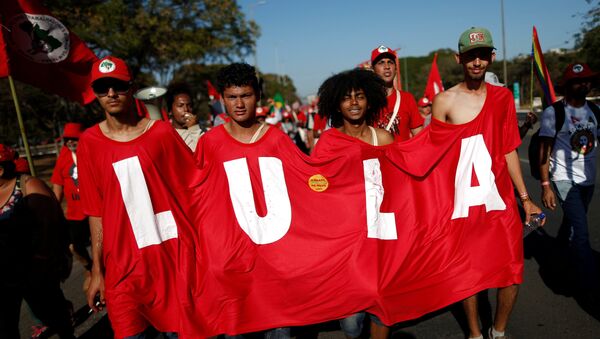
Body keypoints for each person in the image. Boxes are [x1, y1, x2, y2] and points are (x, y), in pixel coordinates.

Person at [432, 27, 543, 339]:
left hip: (500, 199)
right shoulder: (444, 101)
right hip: (463, 202)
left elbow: (509, 148)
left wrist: (525, 198)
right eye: (470, 56)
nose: (476, 61)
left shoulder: (503, 97)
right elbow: (434, 157)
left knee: (511, 270)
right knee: (469, 272)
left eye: (482, 55)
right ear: (459, 59)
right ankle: (474, 333)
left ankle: (499, 331)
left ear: (491, 57)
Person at [78, 56, 196, 338]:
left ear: (131, 88)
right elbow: (95, 211)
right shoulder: (89, 143)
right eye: (102, 88)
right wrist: (97, 269)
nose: (110, 94)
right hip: (123, 271)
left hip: (172, 263)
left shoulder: (163, 134)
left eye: (117, 86)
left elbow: (194, 190)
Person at [193, 62, 290, 339]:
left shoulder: (277, 139)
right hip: (232, 263)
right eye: (232, 97)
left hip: (275, 262)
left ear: (257, 96)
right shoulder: (209, 144)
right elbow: (197, 200)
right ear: (222, 99)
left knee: (279, 334)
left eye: (246, 95)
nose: (239, 104)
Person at [313, 68, 393, 339]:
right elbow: (316, 188)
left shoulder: (382, 138)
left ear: (369, 99)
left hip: (381, 233)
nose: (354, 103)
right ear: (337, 103)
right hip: (346, 239)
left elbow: (398, 184)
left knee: (382, 305)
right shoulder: (327, 142)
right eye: (347, 98)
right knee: (350, 323)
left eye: (359, 96)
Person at [0, 144, 75, 339]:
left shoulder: (28, 186)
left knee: (53, 317)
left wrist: (40, 264)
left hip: (36, 269)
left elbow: (50, 229)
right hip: (5, 273)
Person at [538, 63, 600, 295]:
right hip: (564, 179)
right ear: (567, 85)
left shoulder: (594, 110)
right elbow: (544, 152)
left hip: (588, 179)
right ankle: (590, 286)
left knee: (570, 227)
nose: (584, 84)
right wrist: (546, 185)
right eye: (578, 81)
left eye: (587, 80)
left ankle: (557, 263)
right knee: (581, 232)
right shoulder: (554, 113)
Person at [51, 122, 93, 292]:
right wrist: (54, 209)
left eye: (73, 139)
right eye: (67, 139)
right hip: (76, 213)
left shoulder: (91, 152)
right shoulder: (63, 157)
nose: (70, 142)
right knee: (74, 247)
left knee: (104, 246)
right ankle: (89, 268)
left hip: (96, 210)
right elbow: (57, 184)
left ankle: (102, 272)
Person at [370, 45, 424, 141]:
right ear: (372, 70)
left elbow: (420, 138)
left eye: (390, 62)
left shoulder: (407, 98)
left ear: (395, 68)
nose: (387, 67)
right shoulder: (366, 101)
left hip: (401, 155)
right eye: (381, 62)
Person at [167, 82, 204, 151]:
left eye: (189, 105)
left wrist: (194, 129)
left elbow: (204, 153)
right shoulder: (167, 135)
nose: (186, 109)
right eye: (180, 106)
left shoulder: (201, 130)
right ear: (170, 111)